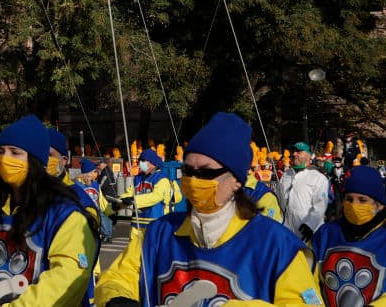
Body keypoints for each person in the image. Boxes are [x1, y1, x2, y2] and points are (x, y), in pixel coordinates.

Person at [97, 112, 322, 307]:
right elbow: (116, 277)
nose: (194, 181)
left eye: (205, 173)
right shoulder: (157, 234)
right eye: (188, 171)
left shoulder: (277, 246)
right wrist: (118, 299)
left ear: (236, 180)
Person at [0, 115, 98, 306]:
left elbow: (65, 277)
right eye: (1, 151)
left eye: (15, 152)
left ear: (35, 160)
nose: (5, 159)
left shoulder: (64, 213)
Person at [311, 165, 386, 306]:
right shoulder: (326, 234)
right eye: (349, 199)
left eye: (362, 200)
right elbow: (309, 278)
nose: (354, 205)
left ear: (379, 205)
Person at [280, 141, 330, 241]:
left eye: (299, 151)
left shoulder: (318, 177)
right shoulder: (286, 175)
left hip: (308, 234)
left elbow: (320, 205)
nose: (294, 154)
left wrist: (310, 225)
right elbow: (279, 200)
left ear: (309, 155)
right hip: (287, 232)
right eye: (293, 151)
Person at [122, 148, 172, 239]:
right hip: (137, 223)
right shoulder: (138, 178)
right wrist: (119, 202)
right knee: (133, 252)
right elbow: (130, 192)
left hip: (155, 223)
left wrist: (134, 200)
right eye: (140, 161)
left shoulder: (162, 178)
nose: (140, 164)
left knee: (152, 252)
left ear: (153, 163)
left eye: (143, 161)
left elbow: (156, 196)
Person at [78, 160, 114, 242]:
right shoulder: (77, 185)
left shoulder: (96, 185)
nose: (95, 173)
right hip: (83, 218)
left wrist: (110, 213)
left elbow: (102, 201)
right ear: (87, 173)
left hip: (94, 218)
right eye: (93, 171)